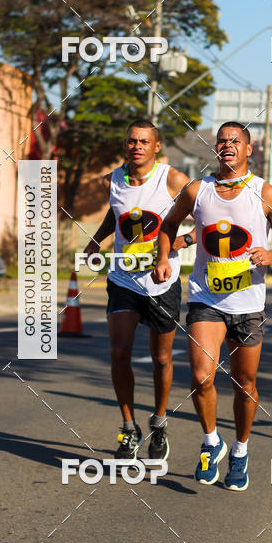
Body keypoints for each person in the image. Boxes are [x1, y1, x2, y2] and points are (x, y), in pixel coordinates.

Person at [153, 121, 272, 491]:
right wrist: (163, 258)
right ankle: (211, 442)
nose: (227, 146)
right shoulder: (198, 189)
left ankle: (240, 450)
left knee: (245, 383)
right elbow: (167, 225)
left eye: (234, 141)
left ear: (248, 149)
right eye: (221, 141)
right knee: (201, 376)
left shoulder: (264, 193)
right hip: (206, 298)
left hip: (248, 303)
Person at [83, 119, 195, 463]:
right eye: (132, 141)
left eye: (144, 141)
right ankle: (129, 427)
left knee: (162, 358)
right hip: (123, 280)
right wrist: (96, 241)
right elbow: (117, 218)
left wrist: (183, 241)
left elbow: (205, 213)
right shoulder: (112, 180)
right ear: (125, 144)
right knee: (119, 353)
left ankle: (159, 422)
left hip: (162, 283)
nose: (137, 146)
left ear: (156, 146)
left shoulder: (172, 179)